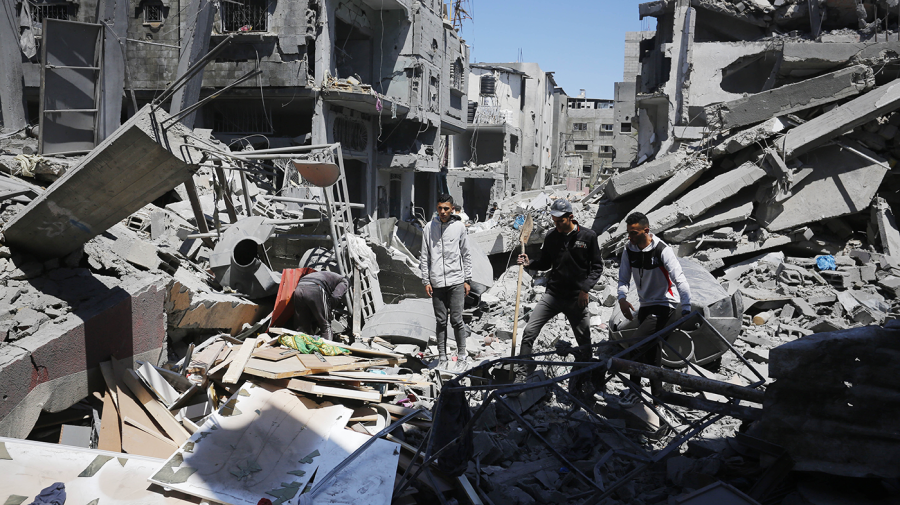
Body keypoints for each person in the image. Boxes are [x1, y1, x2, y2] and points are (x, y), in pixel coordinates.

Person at [516, 198, 603, 380]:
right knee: (529, 332)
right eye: (554, 222)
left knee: (584, 341)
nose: (556, 225)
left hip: (576, 298)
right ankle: (522, 373)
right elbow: (546, 263)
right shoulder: (551, 236)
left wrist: (585, 289)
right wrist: (529, 262)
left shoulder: (588, 237)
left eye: (560, 221)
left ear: (570, 217)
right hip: (553, 295)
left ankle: (586, 378)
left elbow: (597, 267)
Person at [617, 212, 692, 404]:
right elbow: (623, 279)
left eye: (634, 233)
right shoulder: (629, 250)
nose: (630, 237)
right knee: (652, 351)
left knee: (636, 344)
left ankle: (635, 392)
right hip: (645, 305)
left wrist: (686, 307)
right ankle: (658, 396)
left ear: (646, 231)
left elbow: (680, 278)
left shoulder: (661, 250)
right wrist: (622, 298)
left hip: (664, 305)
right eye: (629, 233)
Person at [421, 194, 473, 368]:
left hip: (456, 281)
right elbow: (424, 256)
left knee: (457, 320)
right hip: (437, 283)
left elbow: (466, 254)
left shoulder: (459, 227)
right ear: (437, 208)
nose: (442, 212)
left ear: (452, 209)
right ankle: (442, 357)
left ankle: (462, 356)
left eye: (446, 209)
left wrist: (467, 279)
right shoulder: (429, 228)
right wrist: (426, 280)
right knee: (441, 321)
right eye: (440, 208)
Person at [293, 270, 349, 341]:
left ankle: (301, 345)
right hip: (315, 287)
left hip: (299, 288)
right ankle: (326, 348)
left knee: (301, 325)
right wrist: (328, 310)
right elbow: (336, 296)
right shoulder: (344, 281)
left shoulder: (328, 275)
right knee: (325, 325)